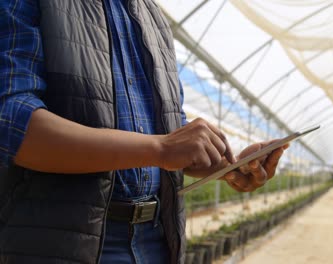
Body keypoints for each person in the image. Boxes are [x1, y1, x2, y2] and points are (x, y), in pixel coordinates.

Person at [0, 1, 288, 263]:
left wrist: (229, 166)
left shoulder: (154, 20)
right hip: (64, 240)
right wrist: (160, 147)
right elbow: (11, 121)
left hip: (156, 239)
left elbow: (170, 142)